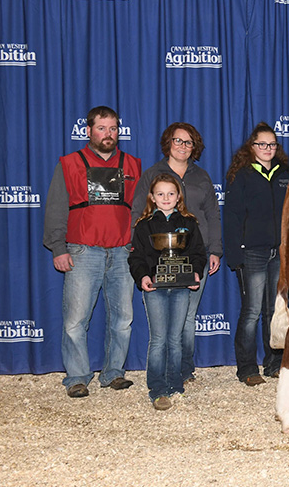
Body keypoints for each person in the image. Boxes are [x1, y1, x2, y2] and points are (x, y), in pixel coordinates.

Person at [43, 105, 141, 398]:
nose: (108, 134)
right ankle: (76, 376)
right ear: (89, 131)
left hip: (123, 252)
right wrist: (58, 247)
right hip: (83, 251)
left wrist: (137, 244)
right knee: (76, 319)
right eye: (102, 128)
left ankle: (113, 373)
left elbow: (139, 210)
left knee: (123, 318)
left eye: (113, 129)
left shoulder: (132, 164)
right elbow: (56, 208)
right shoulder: (70, 163)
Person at [131, 122, 222, 385]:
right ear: (168, 143)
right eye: (178, 141)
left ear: (195, 147)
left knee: (188, 316)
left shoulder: (201, 176)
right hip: (156, 261)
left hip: (195, 255)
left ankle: (183, 369)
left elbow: (213, 215)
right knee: (162, 328)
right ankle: (163, 376)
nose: (183, 146)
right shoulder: (152, 174)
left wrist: (215, 249)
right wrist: (138, 255)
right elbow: (138, 211)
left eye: (189, 142)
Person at [129, 174, 206, 410]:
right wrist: (142, 276)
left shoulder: (189, 222)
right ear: (152, 197)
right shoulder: (144, 225)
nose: (166, 198)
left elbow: (198, 253)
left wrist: (195, 273)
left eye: (171, 193)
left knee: (175, 338)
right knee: (159, 339)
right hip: (155, 287)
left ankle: (175, 385)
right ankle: (157, 389)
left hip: (181, 286)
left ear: (178, 197)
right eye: (160, 194)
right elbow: (136, 257)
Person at [223, 123, 289, 386]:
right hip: (251, 251)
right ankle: (247, 368)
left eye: (272, 144)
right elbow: (232, 216)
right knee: (251, 311)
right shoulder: (241, 175)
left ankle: (274, 363)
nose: (267, 149)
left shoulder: (285, 173)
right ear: (251, 147)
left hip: (278, 251)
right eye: (261, 144)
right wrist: (234, 254)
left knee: (273, 310)